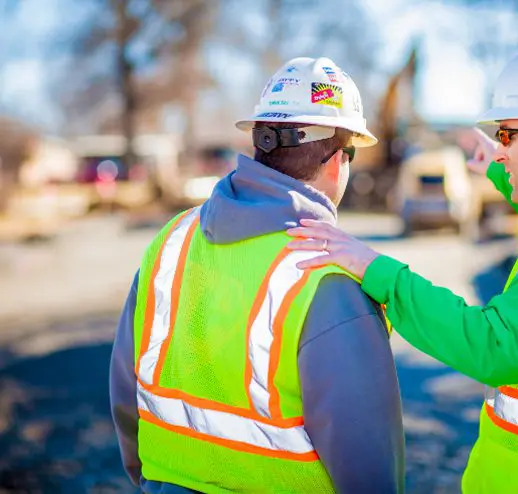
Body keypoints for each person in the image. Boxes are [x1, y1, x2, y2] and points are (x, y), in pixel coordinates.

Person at [286, 42, 518, 493]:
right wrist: (500, 169)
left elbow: (493, 345)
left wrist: (378, 271)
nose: (500, 150)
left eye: (507, 136)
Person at [109, 56, 405, 494]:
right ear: (338, 161)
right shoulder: (331, 279)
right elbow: (369, 466)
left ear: (260, 143)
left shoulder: (171, 241)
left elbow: (125, 395)